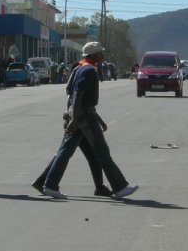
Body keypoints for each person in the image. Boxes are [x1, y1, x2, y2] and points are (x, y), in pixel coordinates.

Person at [40, 42, 137, 201]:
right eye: (100, 53)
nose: (102, 56)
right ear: (92, 55)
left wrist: (94, 119)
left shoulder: (78, 68)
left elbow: (71, 93)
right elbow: (78, 95)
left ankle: (47, 184)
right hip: (84, 117)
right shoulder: (88, 70)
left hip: (80, 115)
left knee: (66, 152)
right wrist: (74, 119)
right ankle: (120, 187)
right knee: (102, 152)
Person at [31, 61, 114, 198]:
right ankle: (50, 184)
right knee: (64, 153)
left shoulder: (77, 77)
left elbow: (85, 103)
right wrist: (74, 120)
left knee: (89, 156)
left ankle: (99, 187)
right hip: (78, 121)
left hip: (79, 120)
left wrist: (100, 120)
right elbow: (78, 102)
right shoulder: (80, 79)